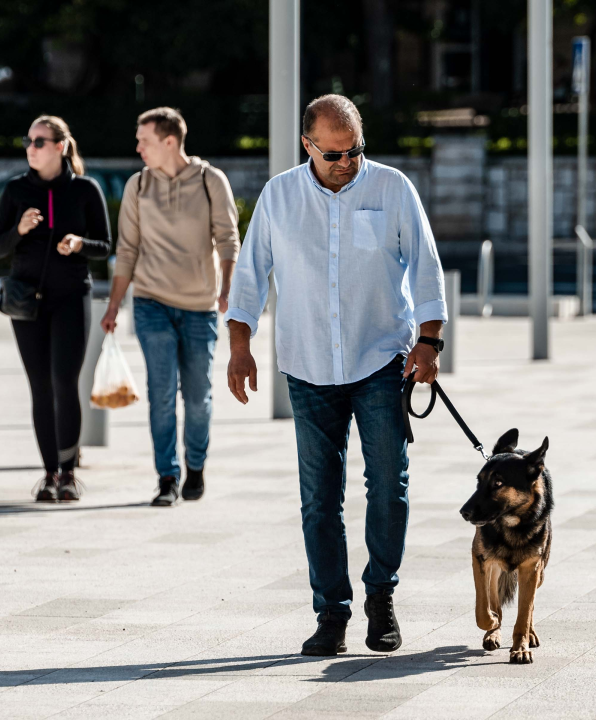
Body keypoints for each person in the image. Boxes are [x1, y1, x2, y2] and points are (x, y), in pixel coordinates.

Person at [225, 94, 447, 656]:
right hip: (307, 365)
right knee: (319, 499)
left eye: (355, 151)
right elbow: (249, 275)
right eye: (334, 155)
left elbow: (426, 267)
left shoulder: (392, 188)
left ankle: (381, 597)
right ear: (307, 146)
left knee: (389, 490)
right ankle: (331, 613)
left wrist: (428, 342)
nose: (347, 163)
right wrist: (240, 346)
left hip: (380, 361)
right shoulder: (279, 196)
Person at [102, 107, 240, 507]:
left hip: (199, 306)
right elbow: (126, 249)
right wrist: (114, 306)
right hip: (150, 303)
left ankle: (195, 464)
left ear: (169, 141)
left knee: (197, 395)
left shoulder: (210, 180)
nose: (138, 147)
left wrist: (226, 288)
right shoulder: (138, 185)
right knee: (161, 392)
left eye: (144, 140)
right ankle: (167, 477)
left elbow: (229, 239)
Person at [0, 116, 112, 503]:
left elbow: (106, 246)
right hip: (26, 301)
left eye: (40, 141)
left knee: (64, 382)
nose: (31, 147)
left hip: (71, 296)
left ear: (60, 147)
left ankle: (69, 474)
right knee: (39, 387)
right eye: (28, 140)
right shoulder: (14, 190)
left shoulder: (85, 190)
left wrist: (79, 244)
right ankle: (47, 475)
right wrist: (19, 230)